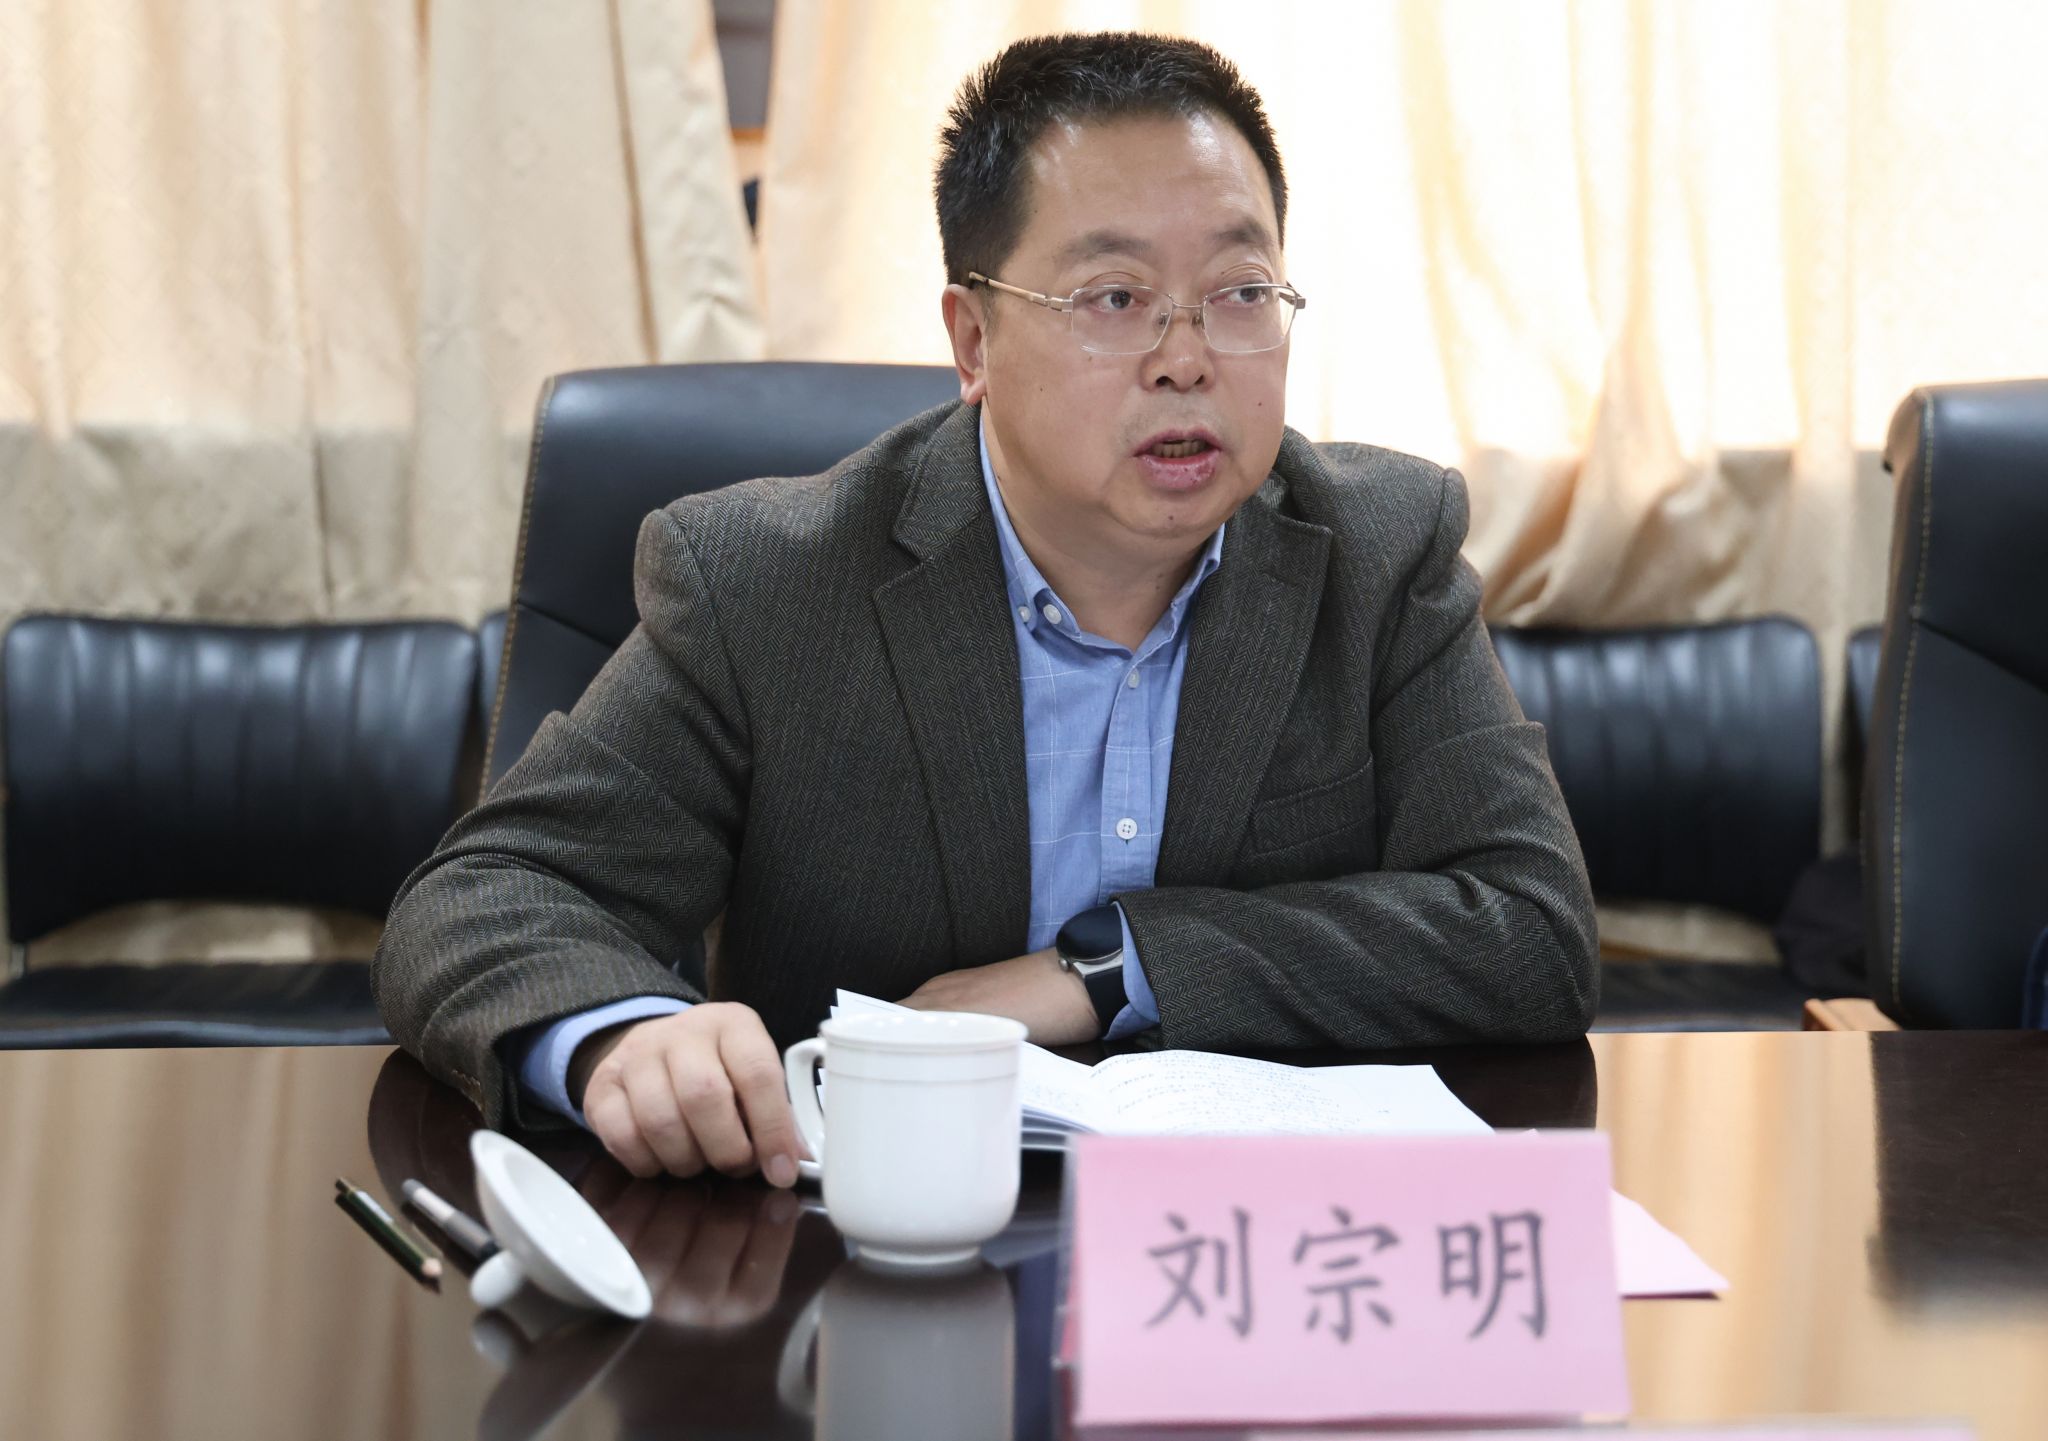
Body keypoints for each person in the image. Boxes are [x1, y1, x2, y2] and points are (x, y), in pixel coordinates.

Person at [372, 31, 1598, 1190]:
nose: (1186, 357)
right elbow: (486, 896)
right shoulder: (767, 585)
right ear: (972, 340)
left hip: (1241, 1260)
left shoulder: (1377, 553)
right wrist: (617, 1039)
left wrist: (1107, 968)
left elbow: (1528, 926)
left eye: (1238, 291)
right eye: (1113, 297)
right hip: (858, 1257)